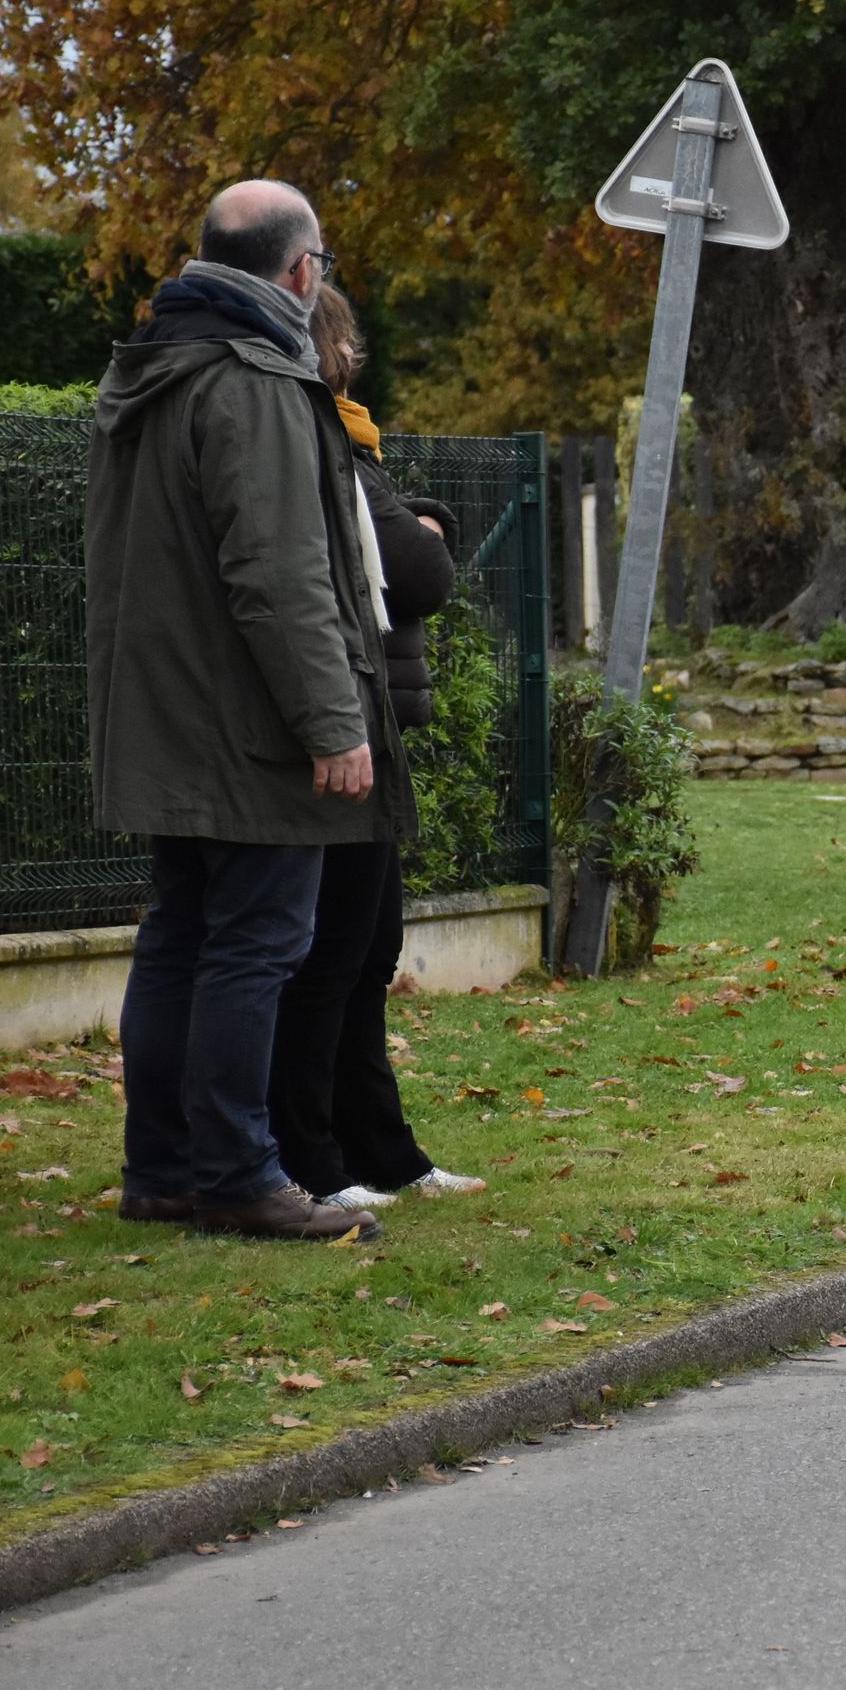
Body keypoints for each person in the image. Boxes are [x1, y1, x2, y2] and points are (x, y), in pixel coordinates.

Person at [86, 179, 409, 1241]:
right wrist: (333, 723)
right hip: (249, 726)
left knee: (180, 937)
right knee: (255, 945)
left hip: (167, 715)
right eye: (323, 262)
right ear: (300, 268)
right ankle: (234, 1173)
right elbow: (280, 577)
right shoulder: (255, 379)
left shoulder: (148, 369)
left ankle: (164, 1170)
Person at [266, 284, 487, 1211]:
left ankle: (381, 1150)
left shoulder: (352, 446)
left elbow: (402, 549)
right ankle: (313, 1158)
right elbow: (419, 567)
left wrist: (419, 523)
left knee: (369, 947)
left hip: (373, 721)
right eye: (346, 341)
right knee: (335, 954)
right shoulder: (322, 440)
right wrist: (425, 529)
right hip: (344, 725)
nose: (354, 356)